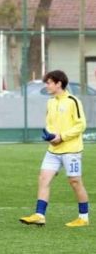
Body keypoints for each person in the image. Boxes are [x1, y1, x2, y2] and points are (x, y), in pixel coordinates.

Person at [20, 70, 89, 227]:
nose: (47, 85)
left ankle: (83, 218)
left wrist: (62, 137)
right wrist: (51, 137)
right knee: (43, 178)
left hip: (71, 150)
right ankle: (39, 215)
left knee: (75, 182)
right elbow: (50, 124)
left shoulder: (73, 101)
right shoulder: (51, 102)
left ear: (59, 83)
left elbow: (81, 125)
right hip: (53, 150)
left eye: (49, 82)